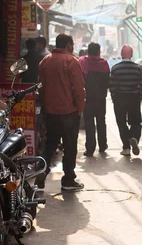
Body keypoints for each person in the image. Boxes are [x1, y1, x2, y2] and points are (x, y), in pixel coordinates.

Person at [35, 34, 86, 191]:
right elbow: (78, 89)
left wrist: (47, 104)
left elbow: (41, 87)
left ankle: (42, 170)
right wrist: (80, 108)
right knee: (70, 146)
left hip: (51, 111)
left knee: (50, 144)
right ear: (69, 45)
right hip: (69, 111)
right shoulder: (71, 61)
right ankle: (68, 180)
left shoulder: (45, 61)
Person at [109, 45, 142, 157]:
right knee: (135, 121)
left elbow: (111, 85)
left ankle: (126, 147)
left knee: (121, 122)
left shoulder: (115, 68)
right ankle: (134, 137)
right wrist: (139, 94)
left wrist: (114, 97)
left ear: (121, 54)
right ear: (131, 55)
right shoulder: (138, 68)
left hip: (120, 98)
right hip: (134, 97)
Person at [79, 42, 110, 156]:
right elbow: (107, 82)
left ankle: (90, 148)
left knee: (89, 123)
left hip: (88, 98)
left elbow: (80, 80)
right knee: (101, 121)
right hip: (101, 98)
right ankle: (103, 145)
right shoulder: (104, 63)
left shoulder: (82, 62)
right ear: (98, 51)